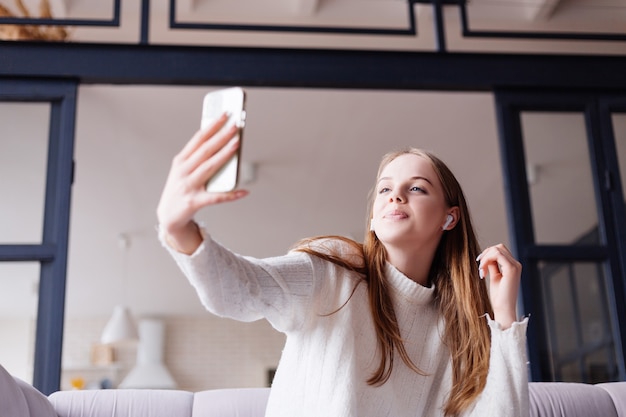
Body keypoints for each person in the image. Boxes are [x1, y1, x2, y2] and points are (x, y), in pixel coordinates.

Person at [156, 113, 529, 417]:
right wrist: (179, 229)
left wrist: (504, 316)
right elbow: (240, 292)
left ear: (449, 219)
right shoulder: (333, 270)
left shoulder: (456, 325)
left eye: (417, 188)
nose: (395, 195)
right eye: (384, 189)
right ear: (372, 219)